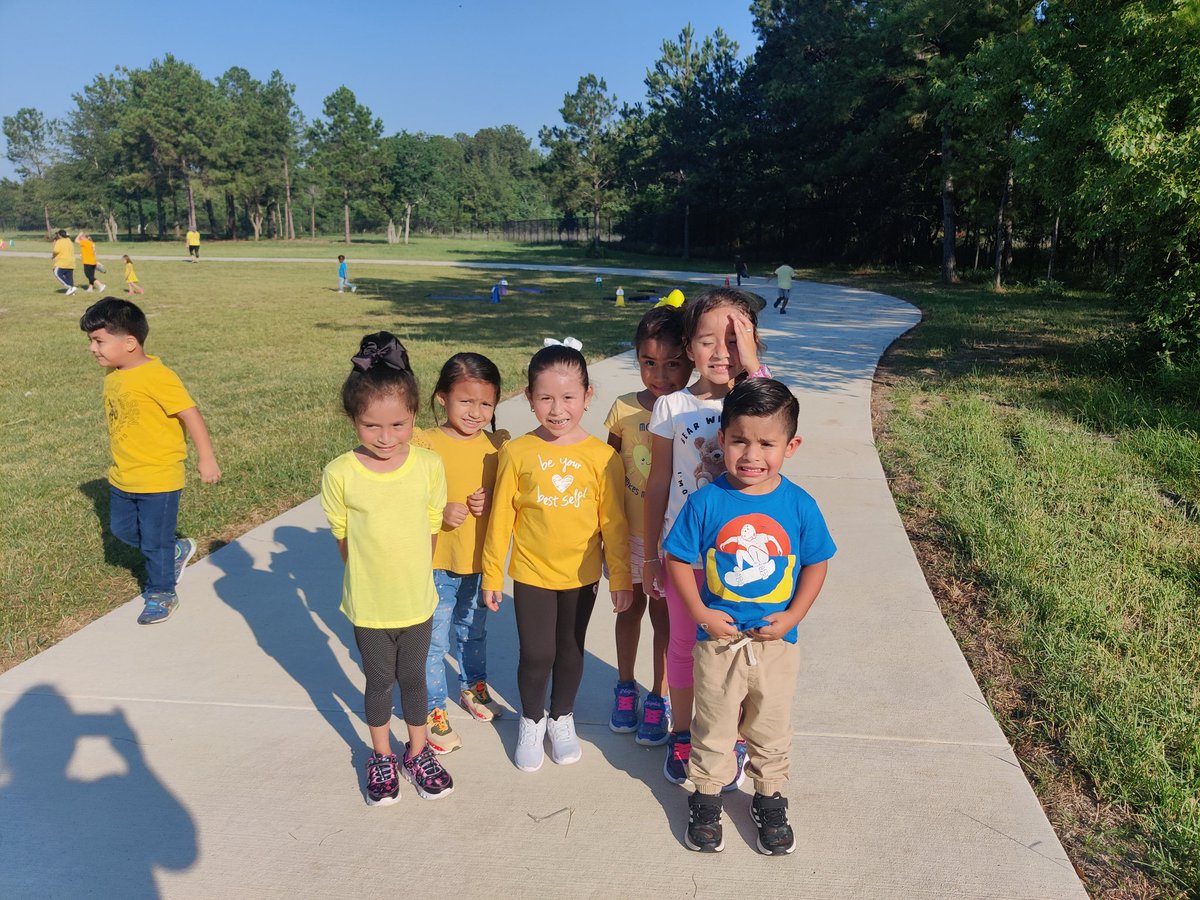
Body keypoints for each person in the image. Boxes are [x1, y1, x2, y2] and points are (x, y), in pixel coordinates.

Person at [664, 378, 835, 854]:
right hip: (719, 641)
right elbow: (676, 558)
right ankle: (706, 797)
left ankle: (769, 797)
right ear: (722, 439)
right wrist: (701, 613)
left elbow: (817, 562)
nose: (751, 455)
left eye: (767, 444)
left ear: (790, 446)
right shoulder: (705, 502)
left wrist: (793, 616)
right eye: (739, 440)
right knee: (714, 724)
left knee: (771, 726)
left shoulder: (799, 505)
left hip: (776, 643)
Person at [482, 343, 632, 772]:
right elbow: (501, 519)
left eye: (568, 397)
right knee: (536, 654)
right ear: (529, 398)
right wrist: (492, 574)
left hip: (582, 575)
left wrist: (621, 577)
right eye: (545, 397)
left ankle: (561, 716)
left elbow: (614, 524)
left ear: (588, 395)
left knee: (570, 650)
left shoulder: (603, 457)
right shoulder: (517, 452)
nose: (557, 409)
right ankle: (531, 720)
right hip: (532, 572)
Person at [643, 287, 771, 788]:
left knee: (735, 648)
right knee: (682, 645)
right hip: (684, 554)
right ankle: (682, 732)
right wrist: (651, 555)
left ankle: (730, 737)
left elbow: (776, 418)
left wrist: (753, 365)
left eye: (735, 340)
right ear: (688, 347)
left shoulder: (753, 400)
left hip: (741, 555)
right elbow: (658, 482)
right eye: (707, 340)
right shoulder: (671, 406)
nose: (722, 352)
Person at [319, 332, 454, 805]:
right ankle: (380, 755)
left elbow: (432, 527)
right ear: (353, 420)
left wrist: (414, 575)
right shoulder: (340, 473)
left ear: (415, 415)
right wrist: (368, 582)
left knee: (414, 679)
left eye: (399, 424)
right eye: (371, 425)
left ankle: (417, 752)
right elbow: (343, 537)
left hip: (416, 601)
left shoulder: (429, 466)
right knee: (379, 681)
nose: (386, 437)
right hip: (370, 606)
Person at [78, 298, 221, 624]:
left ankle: (162, 592)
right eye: (91, 341)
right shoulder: (114, 374)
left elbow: (190, 414)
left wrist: (207, 458)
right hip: (123, 475)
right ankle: (175, 549)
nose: (92, 349)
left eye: (98, 341)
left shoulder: (158, 376)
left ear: (130, 343)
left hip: (159, 478)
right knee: (122, 529)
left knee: (155, 543)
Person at [603, 307, 693, 746]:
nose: (660, 376)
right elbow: (607, 474)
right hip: (628, 536)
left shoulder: (692, 410)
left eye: (673, 363)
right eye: (649, 363)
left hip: (670, 538)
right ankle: (625, 687)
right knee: (628, 610)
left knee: (665, 620)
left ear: (691, 360)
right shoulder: (622, 410)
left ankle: (659, 696)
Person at [411, 353, 508, 755]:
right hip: (437, 564)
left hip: (480, 562)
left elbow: (511, 497)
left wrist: (494, 498)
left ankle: (473, 687)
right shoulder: (424, 444)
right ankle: (433, 708)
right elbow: (402, 496)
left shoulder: (497, 446)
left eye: (486, 403)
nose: (475, 412)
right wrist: (438, 512)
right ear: (442, 398)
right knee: (434, 641)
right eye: (465, 401)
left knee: (473, 630)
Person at [52, 229, 77, 295]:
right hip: (71, 262)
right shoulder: (69, 241)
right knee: (69, 277)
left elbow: (56, 251)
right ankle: (72, 292)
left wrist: (53, 256)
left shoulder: (59, 241)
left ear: (59, 235)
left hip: (63, 262)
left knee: (57, 273)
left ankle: (70, 287)